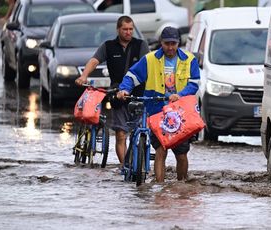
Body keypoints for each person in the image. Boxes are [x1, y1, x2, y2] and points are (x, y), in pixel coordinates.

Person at [117, 26, 200, 183]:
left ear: (178, 43)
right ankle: (160, 188)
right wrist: (124, 89)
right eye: (166, 43)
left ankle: (181, 187)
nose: (170, 47)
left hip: (180, 113)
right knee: (160, 151)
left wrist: (180, 95)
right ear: (161, 43)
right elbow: (132, 76)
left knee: (181, 154)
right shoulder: (150, 59)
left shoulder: (189, 60)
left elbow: (194, 84)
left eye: (173, 44)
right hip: (157, 112)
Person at [75, 16, 149, 166]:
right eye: (125, 29)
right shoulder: (108, 46)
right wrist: (84, 76)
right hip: (117, 94)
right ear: (118, 29)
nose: (128, 32)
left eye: (131, 29)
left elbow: (148, 66)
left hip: (139, 95)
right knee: (121, 134)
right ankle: (125, 167)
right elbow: (94, 61)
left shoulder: (141, 45)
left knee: (138, 133)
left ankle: (138, 164)